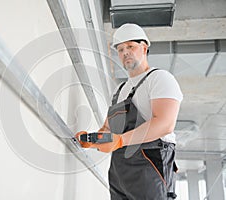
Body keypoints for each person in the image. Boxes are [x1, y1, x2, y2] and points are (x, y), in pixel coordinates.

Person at [75, 23, 183, 200]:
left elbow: (165, 124)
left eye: (130, 46)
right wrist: (91, 140)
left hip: (150, 162)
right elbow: (108, 130)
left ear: (144, 47)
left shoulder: (159, 78)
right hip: (120, 167)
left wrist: (121, 140)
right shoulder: (120, 90)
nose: (125, 52)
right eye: (120, 49)